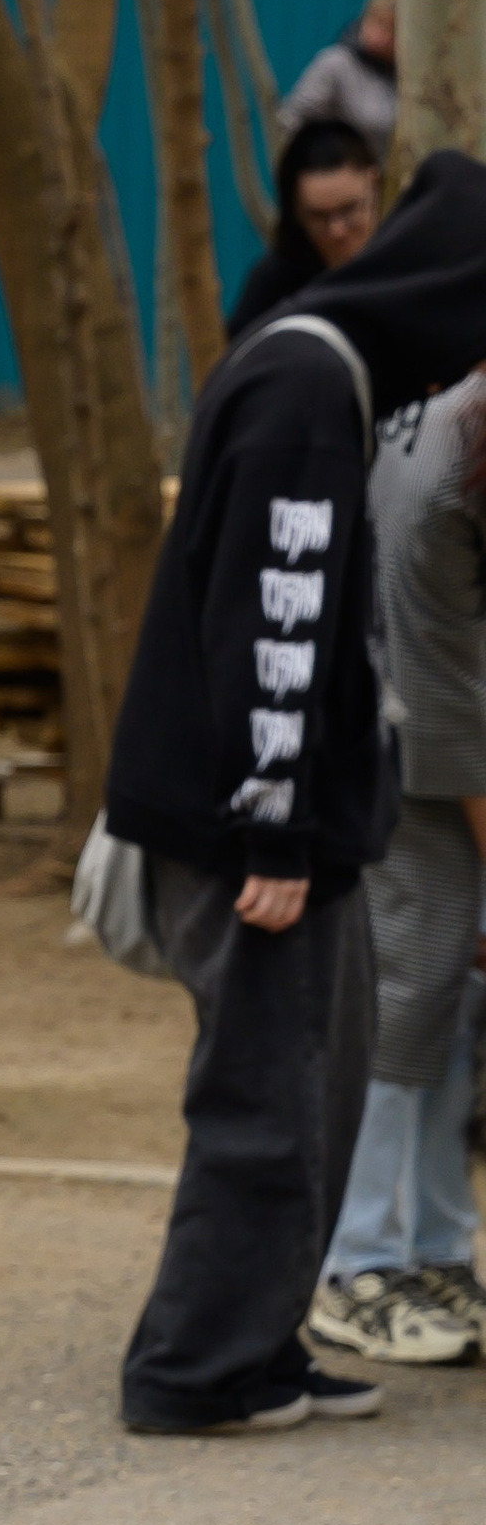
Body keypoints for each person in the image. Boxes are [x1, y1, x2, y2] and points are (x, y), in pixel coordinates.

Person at [106, 148, 486, 1438]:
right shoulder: (303, 385)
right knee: (263, 1107)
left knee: (317, 1092)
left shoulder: (318, 369)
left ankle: (261, 1347)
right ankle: (191, 1370)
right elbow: (272, 621)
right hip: (250, 836)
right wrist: (271, 826)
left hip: (298, 829)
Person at [308, 366, 486, 1367]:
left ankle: (434, 1248)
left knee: (456, 992)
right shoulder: (435, 477)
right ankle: (354, 1259)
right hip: (408, 751)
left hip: (449, 737)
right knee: (410, 987)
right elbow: (448, 698)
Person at [225, 116, 383, 340]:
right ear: (297, 214)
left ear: (374, 184)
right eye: (319, 217)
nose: (337, 230)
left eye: (349, 210)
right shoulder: (273, 287)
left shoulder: (410, 266)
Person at [280, 0, 397, 150]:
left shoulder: (408, 81)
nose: (382, 37)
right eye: (377, 23)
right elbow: (292, 120)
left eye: (392, 30)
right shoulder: (336, 64)